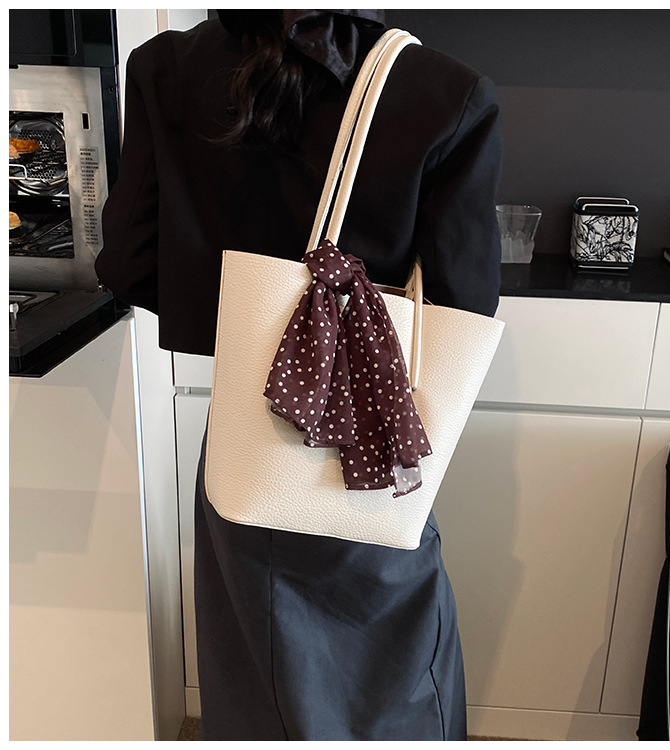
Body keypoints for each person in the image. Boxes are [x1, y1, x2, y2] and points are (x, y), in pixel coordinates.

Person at [95, 10, 502, 741]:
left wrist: (251, 323)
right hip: (371, 430)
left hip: (247, 430)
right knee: (394, 668)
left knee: (252, 667)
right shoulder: (445, 91)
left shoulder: (166, 68)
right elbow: (463, 300)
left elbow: (128, 263)